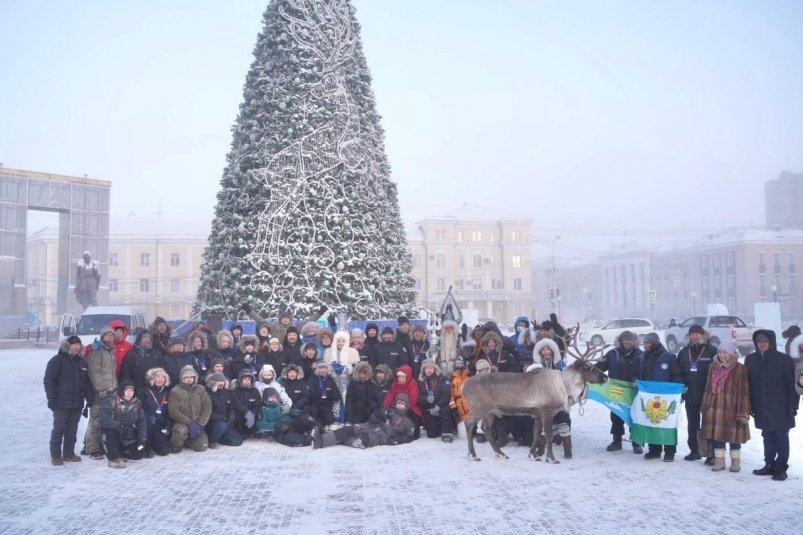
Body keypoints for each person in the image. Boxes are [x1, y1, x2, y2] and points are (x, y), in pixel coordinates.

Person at [745, 330, 799, 481]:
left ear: (771, 342)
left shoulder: (783, 360)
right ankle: (769, 464)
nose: (762, 344)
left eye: (765, 341)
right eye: (759, 342)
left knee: (781, 437)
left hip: (781, 407)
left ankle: (781, 468)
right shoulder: (751, 360)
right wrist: (749, 406)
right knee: (767, 436)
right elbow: (748, 385)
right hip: (761, 407)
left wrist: (792, 406)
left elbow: (792, 385)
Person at [700, 341, 750, 473]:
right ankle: (719, 461)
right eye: (720, 352)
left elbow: (744, 392)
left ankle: (735, 462)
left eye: (725, 352)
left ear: (732, 353)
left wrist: (743, 411)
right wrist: (705, 405)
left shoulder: (740, 368)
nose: (722, 355)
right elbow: (707, 388)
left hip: (732, 408)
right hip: (714, 407)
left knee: (734, 437)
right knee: (717, 436)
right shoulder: (713, 367)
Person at [44, 335, 93, 465]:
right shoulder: (57, 360)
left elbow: (86, 383)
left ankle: (68, 453)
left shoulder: (82, 362)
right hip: (60, 402)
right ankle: (55, 455)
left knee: (72, 429)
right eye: (74, 344)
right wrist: (51, 397)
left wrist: (89, 398)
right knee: (59, 428)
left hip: (77, 402)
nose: (77, 347)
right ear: (67, 345)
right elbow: (49, 380)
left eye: (78, 344)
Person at [595, 331, 644, 453]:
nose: (627, 342)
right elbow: (599, 367)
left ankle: (636, 442)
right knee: (616, 415)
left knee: (635, 416)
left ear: (634, 341)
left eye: (630, 340)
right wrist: (588, 370)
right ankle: (617, 441)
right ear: (621, 340)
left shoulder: (641, 355)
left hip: (633, 391)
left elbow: (645, 371)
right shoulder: (612, 353)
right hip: (616, 391)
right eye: (625, 339)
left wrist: (637, 378)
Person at [312, 393, 416, 450]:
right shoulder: (389, 411)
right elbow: (373, 420)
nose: (400, 405)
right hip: (368, 426)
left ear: (406, 406)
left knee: (362, 441)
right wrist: (378, 414)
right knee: (346, 430)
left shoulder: (407, 421)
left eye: (402, 403)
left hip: (380, 436)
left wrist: (396, 441)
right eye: (398, 403)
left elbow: (410, 436)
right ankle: (320, 441)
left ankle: (334, 439)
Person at [676, 324, 718, 462]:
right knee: (692, 424)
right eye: (692, 334)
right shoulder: (683, 352)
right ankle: (694, 450)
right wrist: (681, 385)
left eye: (697, 334)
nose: (694, 336)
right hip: (690, 394)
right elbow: (677, 372)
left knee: (708, 424)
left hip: (708, 394)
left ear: (703, 335)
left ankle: (710, 453)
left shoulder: (712, 350)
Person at [638, 332, 683, 461]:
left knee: (667, 423)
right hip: (649, 397)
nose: (646, 345)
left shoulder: (669, 357)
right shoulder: (643, 357)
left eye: (648, 343)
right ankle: (654, 450)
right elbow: (640, 375)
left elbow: (676, 375)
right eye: (645, 343)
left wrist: (678, 389)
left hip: (666, 398)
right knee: (652, 422)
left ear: (655, 344)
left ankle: (669, 452)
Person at [85, 326, 117, 459]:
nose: (110, 337)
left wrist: (115, 387)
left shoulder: (111, 351)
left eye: (112, 335)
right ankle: (92, 448)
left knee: (106, 419)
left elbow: (112, 372)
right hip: (100, 392)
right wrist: (101, 389)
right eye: (107, 335)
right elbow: (94, 372)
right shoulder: (97, 350)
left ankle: (99, 445)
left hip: (111, 390)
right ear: (102, 336)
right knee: (96, 419)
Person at [100, 381, 147, 469]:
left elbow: (142, 421)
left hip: (128, 432)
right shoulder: (110, 400)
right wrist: (120, 426)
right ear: (122, 391)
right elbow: (104, 420)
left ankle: (121, 451)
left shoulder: (137, 403)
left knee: (139, 454)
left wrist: (142, 438)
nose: (129, 393)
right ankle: (113, 457)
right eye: (126, 390)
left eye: (131, 390)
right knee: (111, 433)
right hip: (113, 432)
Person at [168, 365, 212, 453]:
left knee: (202, 447)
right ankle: (177, 443)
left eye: (191, 377)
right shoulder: (175, 391)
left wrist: (201, 423)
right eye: (186, 377)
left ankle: (188, 441)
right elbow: (173, 411)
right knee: (181, 431)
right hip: (182, 423)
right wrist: (190, 423)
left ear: (195, 377)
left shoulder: (201, 389)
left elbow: (207, 406)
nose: (189, 379)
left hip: (198, 422)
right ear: (181, 378)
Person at [241, 303, 328, 344]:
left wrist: (320, 312)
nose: (286, 320)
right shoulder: (275, 327)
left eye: (287, 319)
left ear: (290, 320)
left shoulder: (294, 328)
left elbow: (308, 321)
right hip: (277, 348)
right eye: (284, 319)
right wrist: (249, 311)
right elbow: (261, 321)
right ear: (280, 320)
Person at [324, 331, 360, 425]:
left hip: (346, 382)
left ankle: (346, 420)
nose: (340, 343)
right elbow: (325, 368)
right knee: (334, 400)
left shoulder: (352, 352)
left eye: (343, 341)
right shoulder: (329, 352)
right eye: (338, 341)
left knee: (346, 399)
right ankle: (334, 421)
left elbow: (356, 368)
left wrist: (347, 367)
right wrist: (332, 367)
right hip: (333, 382)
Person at [417, 359, 455, 442]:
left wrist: (438, 406)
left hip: (441, 405)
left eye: (431, 368)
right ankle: (437, 428)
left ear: (434, 369)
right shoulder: (420, 381)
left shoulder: (442, 379)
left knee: (445, 411)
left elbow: (446, 394)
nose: (429, 370)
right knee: (432, 435)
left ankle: (447, 432)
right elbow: (418, 397)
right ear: (423, 370)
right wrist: (425, 399)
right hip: (429, 407)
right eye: (426, 368)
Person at [138, 367, 172, 457]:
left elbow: (169, 412)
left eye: (163, 377)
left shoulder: (167, 393)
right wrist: (148, 417)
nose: (160, 379)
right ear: (152, 378)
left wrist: (167, 426)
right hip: (147, 424)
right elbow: (138, 409)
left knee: (165, 451)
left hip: (159, 425)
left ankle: (155, 442)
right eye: (157, 377)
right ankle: (147, 445)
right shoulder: (143, 391)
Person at [204, 372, 244, 448]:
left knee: (238, 440)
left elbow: (231, 407)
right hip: (212, 422)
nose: (221, 383)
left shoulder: (226, 392)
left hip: (225, 421)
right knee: (221, 426)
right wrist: (223, 418)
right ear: (213, 382)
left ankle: (219, 437)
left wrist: (232, 416)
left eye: (222, 381)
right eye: (218, 381)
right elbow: (207, 412)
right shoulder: (207, 393)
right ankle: (212, 441)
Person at [384, 365, 423, 439]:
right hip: (395, 406)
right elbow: (390, 396)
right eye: (398, 377)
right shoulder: (394, 385)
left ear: (407, 377)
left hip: (410, 407)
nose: (400, 379)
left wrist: (403, 408)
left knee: (413, 415)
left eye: (402, 377)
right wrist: (386, 406)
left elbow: (413, 399)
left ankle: (413, 431)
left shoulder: (412, 384)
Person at [306, 361, 341, 428]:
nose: (322, 370)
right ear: (317, 369)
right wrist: (319, 393)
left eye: (324, 368)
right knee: (315, 416)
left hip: (326, 405)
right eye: (320, 368)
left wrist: (329, 393)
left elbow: (337, 396)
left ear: (327, 369)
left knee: (330, 420)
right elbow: (309, 393)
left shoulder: (330, 379)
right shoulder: (312, 379)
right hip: (315, 405)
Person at [233, 369, 262, 438]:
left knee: (257, 415)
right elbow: (236, 403)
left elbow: (258, 404)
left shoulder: (255, 391)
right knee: (238, 416)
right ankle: (241, 432)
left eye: (249, 379)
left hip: (252, 414)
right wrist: (247, 412)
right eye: (245, 379)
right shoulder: (236, 390)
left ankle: (253, 430)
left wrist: (253, 413)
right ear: (240, 380)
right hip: (241, 414)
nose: (247, 381)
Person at [448, 358, 471, 437]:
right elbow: (450, 395)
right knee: (463, 436)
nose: (459, 367)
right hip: (459, 409)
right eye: (457, 365)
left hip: (471, 409)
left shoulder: (469, 378)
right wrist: (453, 407)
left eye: (461, 364)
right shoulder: (451, 379)